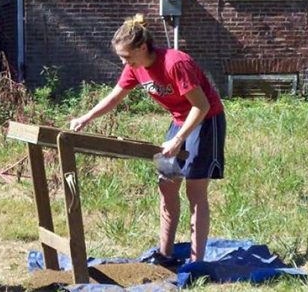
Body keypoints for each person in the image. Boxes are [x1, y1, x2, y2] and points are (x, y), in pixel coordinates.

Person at [70, 14, 225, 264]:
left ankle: (197, 263)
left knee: (195, 191)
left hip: (205, 121)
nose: (124, 61)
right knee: (166, 185)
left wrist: (179, 139)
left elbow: (202, 105)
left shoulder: (175, 63)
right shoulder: (136, 68)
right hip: (178, 122)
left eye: (127, 56)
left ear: (143, 47)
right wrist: (86, 118)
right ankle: (165, 255)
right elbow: (115, 96)